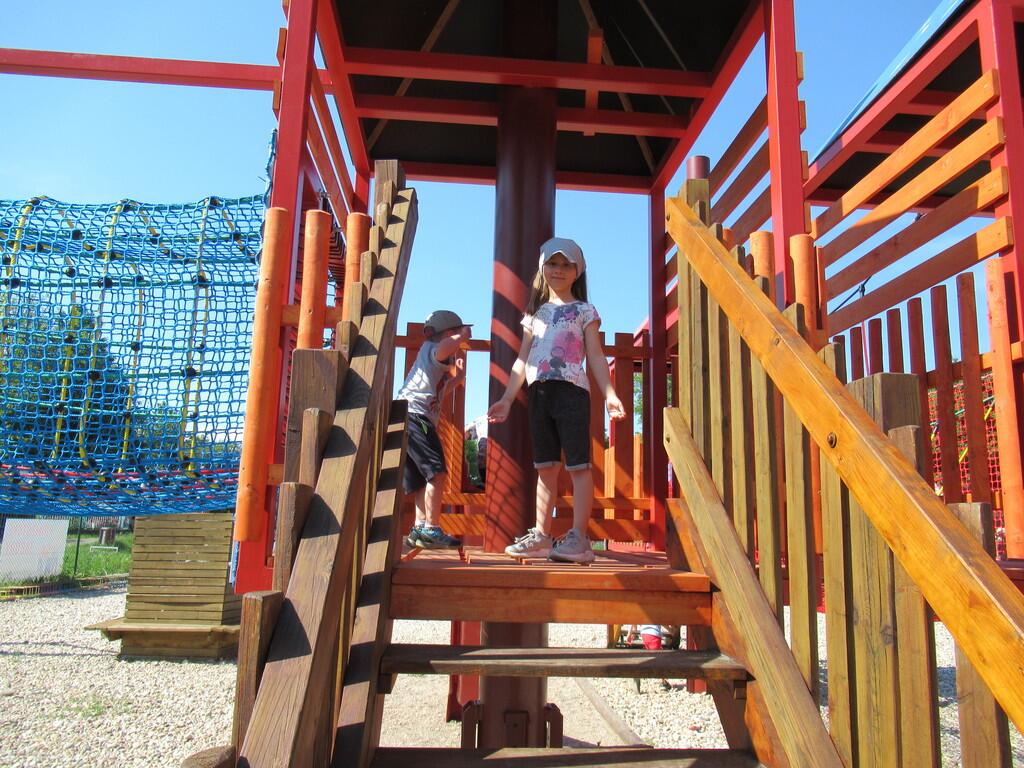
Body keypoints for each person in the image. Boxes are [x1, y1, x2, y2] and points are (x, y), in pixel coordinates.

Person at [487, 237, 625, 563]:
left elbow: (595, 355)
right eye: (552, 263)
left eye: (566, 264)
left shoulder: (584, 311)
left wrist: (610, 394)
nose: (559, 270)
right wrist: (507, 398)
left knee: (578, 465)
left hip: (572, 392)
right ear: (542, 268)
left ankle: (579, 537)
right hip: (539, 393)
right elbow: (522, 360)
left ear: (578, 271)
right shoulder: (535, 314)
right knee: (545, 466)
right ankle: (541, 534)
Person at [398, 309, 472, 549]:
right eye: (455, 333)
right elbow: (442, 348)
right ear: (448, 333)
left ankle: (420, 528)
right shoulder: (431, 349)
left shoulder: (433, 367)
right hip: (415, 416)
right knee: (437, 473)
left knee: (423, 479)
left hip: (409, 416)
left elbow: (442, 391)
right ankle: (431, 528)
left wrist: (458, 376)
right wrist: (461, 337)